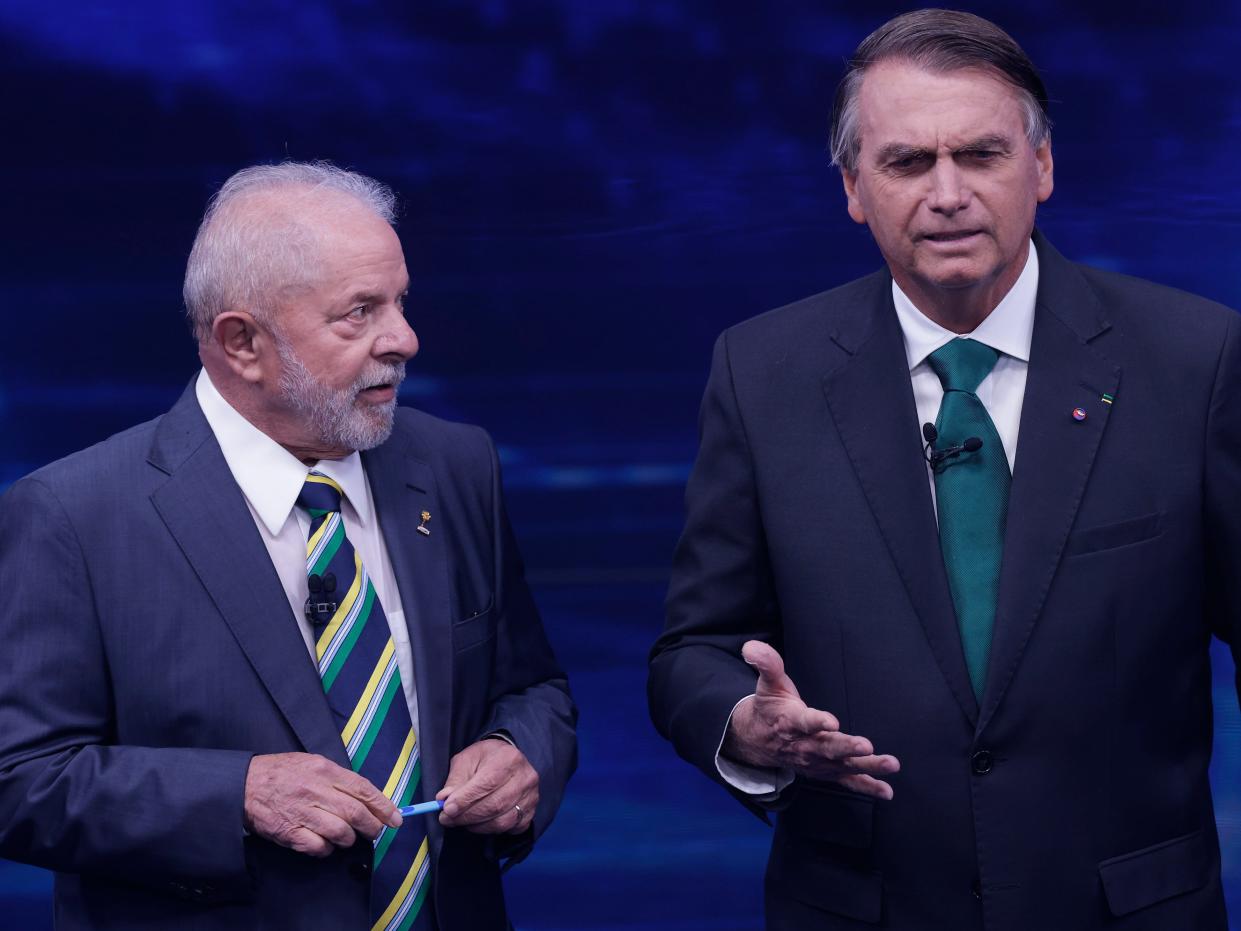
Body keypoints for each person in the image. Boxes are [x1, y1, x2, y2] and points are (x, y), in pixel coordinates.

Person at [648, 9, 1241, 929]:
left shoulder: (1192, 358)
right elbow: (693, 649)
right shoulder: (762, 373)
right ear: (852, 186)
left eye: (981, 154)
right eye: (907, 162)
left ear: (1040, 167)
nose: (949, 193)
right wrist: (742, 726)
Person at [0, 161, 577, 930]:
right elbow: (19, 776)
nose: (403, 337)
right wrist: (236, 794)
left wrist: (520, 749)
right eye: (359, 312)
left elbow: (532, 687)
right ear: (241, 342)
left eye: (400, 300)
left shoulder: (455, 464)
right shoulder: (73, 515)